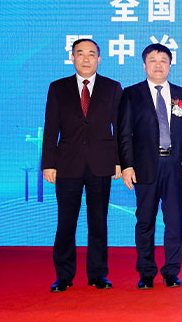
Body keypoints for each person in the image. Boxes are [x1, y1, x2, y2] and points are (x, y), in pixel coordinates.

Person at [42, 38, 123, 292]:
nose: (85, 59)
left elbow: (120, 128)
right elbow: (50, 128)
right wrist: (48, 163)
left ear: (99, 59)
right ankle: (63, 276)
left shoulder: (112, 87)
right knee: (66, 221)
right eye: (80, 53)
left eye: (91, 54)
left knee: (98, 221)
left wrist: (119, 161)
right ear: (72, 57)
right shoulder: (58, 88)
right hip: (67, 164)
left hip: (101, 163)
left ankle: (98, 274)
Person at [117, 44, 182, 289]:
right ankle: (146, 272)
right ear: (144, 65)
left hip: (176, 167)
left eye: (163, 60)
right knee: (145, 221)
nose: (158, 65)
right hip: (144, 167)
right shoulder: (131, 94)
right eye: (153, 60)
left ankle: (171, 271)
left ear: (170, 65)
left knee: (174, 222)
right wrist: (127, 166)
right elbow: (124, 134)